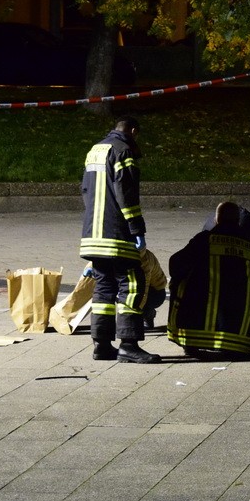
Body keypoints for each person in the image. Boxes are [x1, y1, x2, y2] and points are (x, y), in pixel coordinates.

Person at [79, 116, 160, 363]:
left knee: (103, 288)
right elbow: (126, 195)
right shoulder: (124, 152)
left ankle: (101, 345)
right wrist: (137, 230)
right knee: (133, 283)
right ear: (133, 131)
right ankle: (128, 344)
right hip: (117, 235)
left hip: (92, 234)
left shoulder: (94, 150)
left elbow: (85, 190)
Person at [168, 202, 250, 358]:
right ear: (238, 222)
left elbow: (176, 263)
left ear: (216, 220)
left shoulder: (204, 239)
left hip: (195, 327)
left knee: (178, 283)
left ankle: (191, 342)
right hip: (240, 340)